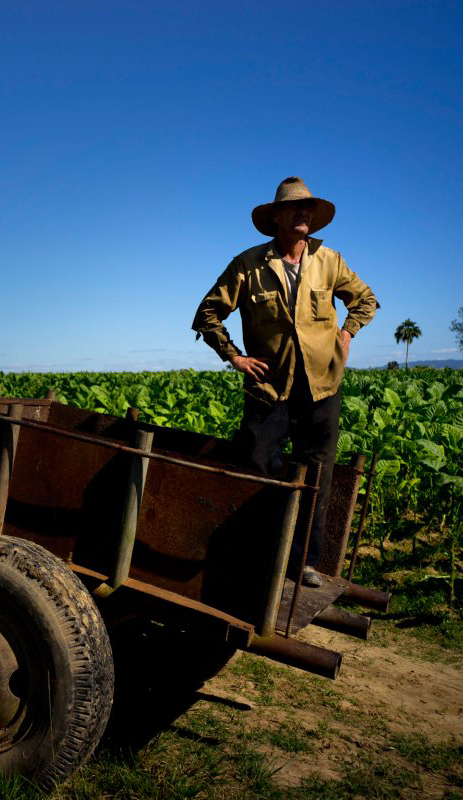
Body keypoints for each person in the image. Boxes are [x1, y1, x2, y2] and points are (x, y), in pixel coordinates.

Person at [191, 177, 378, 587]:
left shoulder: (329, 261)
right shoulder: (249, 265)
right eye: (294, 207)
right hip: (270, 389)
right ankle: (259, 557)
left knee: (317, 477)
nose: (303, 213)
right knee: (258, 469)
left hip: (322, 387)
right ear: (276, 216)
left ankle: (304, 563)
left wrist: (347, 332)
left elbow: (366, 299)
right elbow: (207, 313)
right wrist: (235, 357)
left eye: (308, 207)